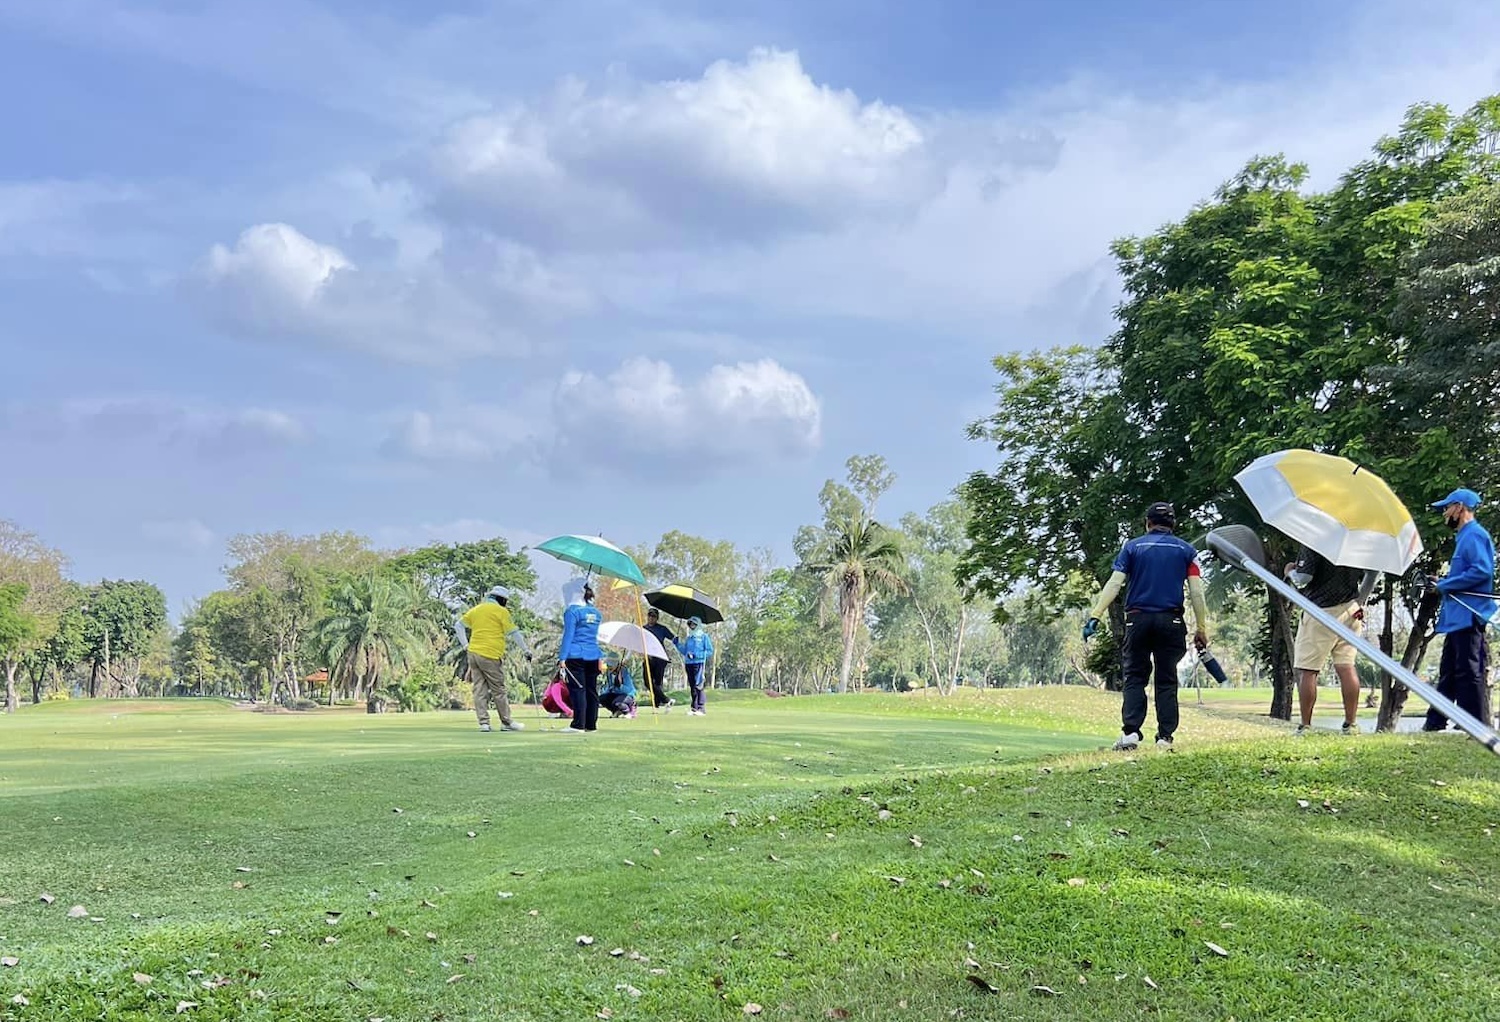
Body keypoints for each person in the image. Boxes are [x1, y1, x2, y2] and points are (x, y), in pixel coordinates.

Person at [1084, 501, 1209, 750]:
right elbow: (1196, 591)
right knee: (1166, 678)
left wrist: (1095, 615)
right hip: (1171, 620)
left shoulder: (1132, 547)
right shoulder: (1186, 551)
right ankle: (1165, 737)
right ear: (1173, 524)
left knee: (1134, 676)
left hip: (1137, 619)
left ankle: (1131, 733)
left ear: (1148, 523)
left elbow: (1114, 583)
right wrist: (1202, 628)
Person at [1284, 546, 1377, 737]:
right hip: (1351, 610)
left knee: (1308, 670)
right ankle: (1351, 724)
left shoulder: (1315, 540)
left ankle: (1305, 726)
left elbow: (1303, 579)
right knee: (1346, 666)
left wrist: (1290, 571)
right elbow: (1373, 572)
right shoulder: (1357, 540)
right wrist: (1361, 601)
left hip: (1320, 611)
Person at [1423, 488, 1494, 732]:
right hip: (1457, 617)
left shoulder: (1474, 535)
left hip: (1468, 614)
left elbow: (1481, 571)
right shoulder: (1465, 536)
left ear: (1459, 508)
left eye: (1447, 508)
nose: (1444, 513)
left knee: (1468, 670)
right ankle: (1435, 722)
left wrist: (1444, 585)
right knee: (1450, 671)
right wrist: (1441, 581)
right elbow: (1468, 572)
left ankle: (1474, 725)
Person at [453, 585, 532, 733]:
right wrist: (526, 650)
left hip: (473, 654)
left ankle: (484, 723)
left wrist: (465, 645)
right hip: (490, 655)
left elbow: (458, 625)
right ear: (501, 599)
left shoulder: (477, 609)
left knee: (479, 689)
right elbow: (514, 633)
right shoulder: (501, 611)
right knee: (498, 689)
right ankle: (506, 722)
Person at [558, 578, 604, 733]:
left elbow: (568, 635)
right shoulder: (596, 613)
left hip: (575, 654)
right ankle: (591, 724)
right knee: (591, 690)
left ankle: (578, 724)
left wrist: (562, 657)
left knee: (578, 689)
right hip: (593, 655)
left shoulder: (572, 611)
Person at [674, 616, 714, 716]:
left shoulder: (704, 637)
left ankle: (701, 708)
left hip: (699, 663)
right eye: (690, 624)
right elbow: (685, 651)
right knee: (692, 686)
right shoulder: (689, 638)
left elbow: (709, 651)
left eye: (694, 624)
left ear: (698, 625)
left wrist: (697, 655)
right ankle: (694, 708)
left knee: (698, 685)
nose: (692, 626)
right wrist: (677, 644)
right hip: (689, 663)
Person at [643, 608, 678, 710]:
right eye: (649, 616)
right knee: (647, 681)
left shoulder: (662, 629)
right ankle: (666, 700)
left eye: (653, 616)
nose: (651, 618)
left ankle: (656, 705)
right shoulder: (643, 629)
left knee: (658, 682)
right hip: (648, 657)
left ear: (657, 618)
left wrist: (677, 639)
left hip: (660, 658)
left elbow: (673, 638)